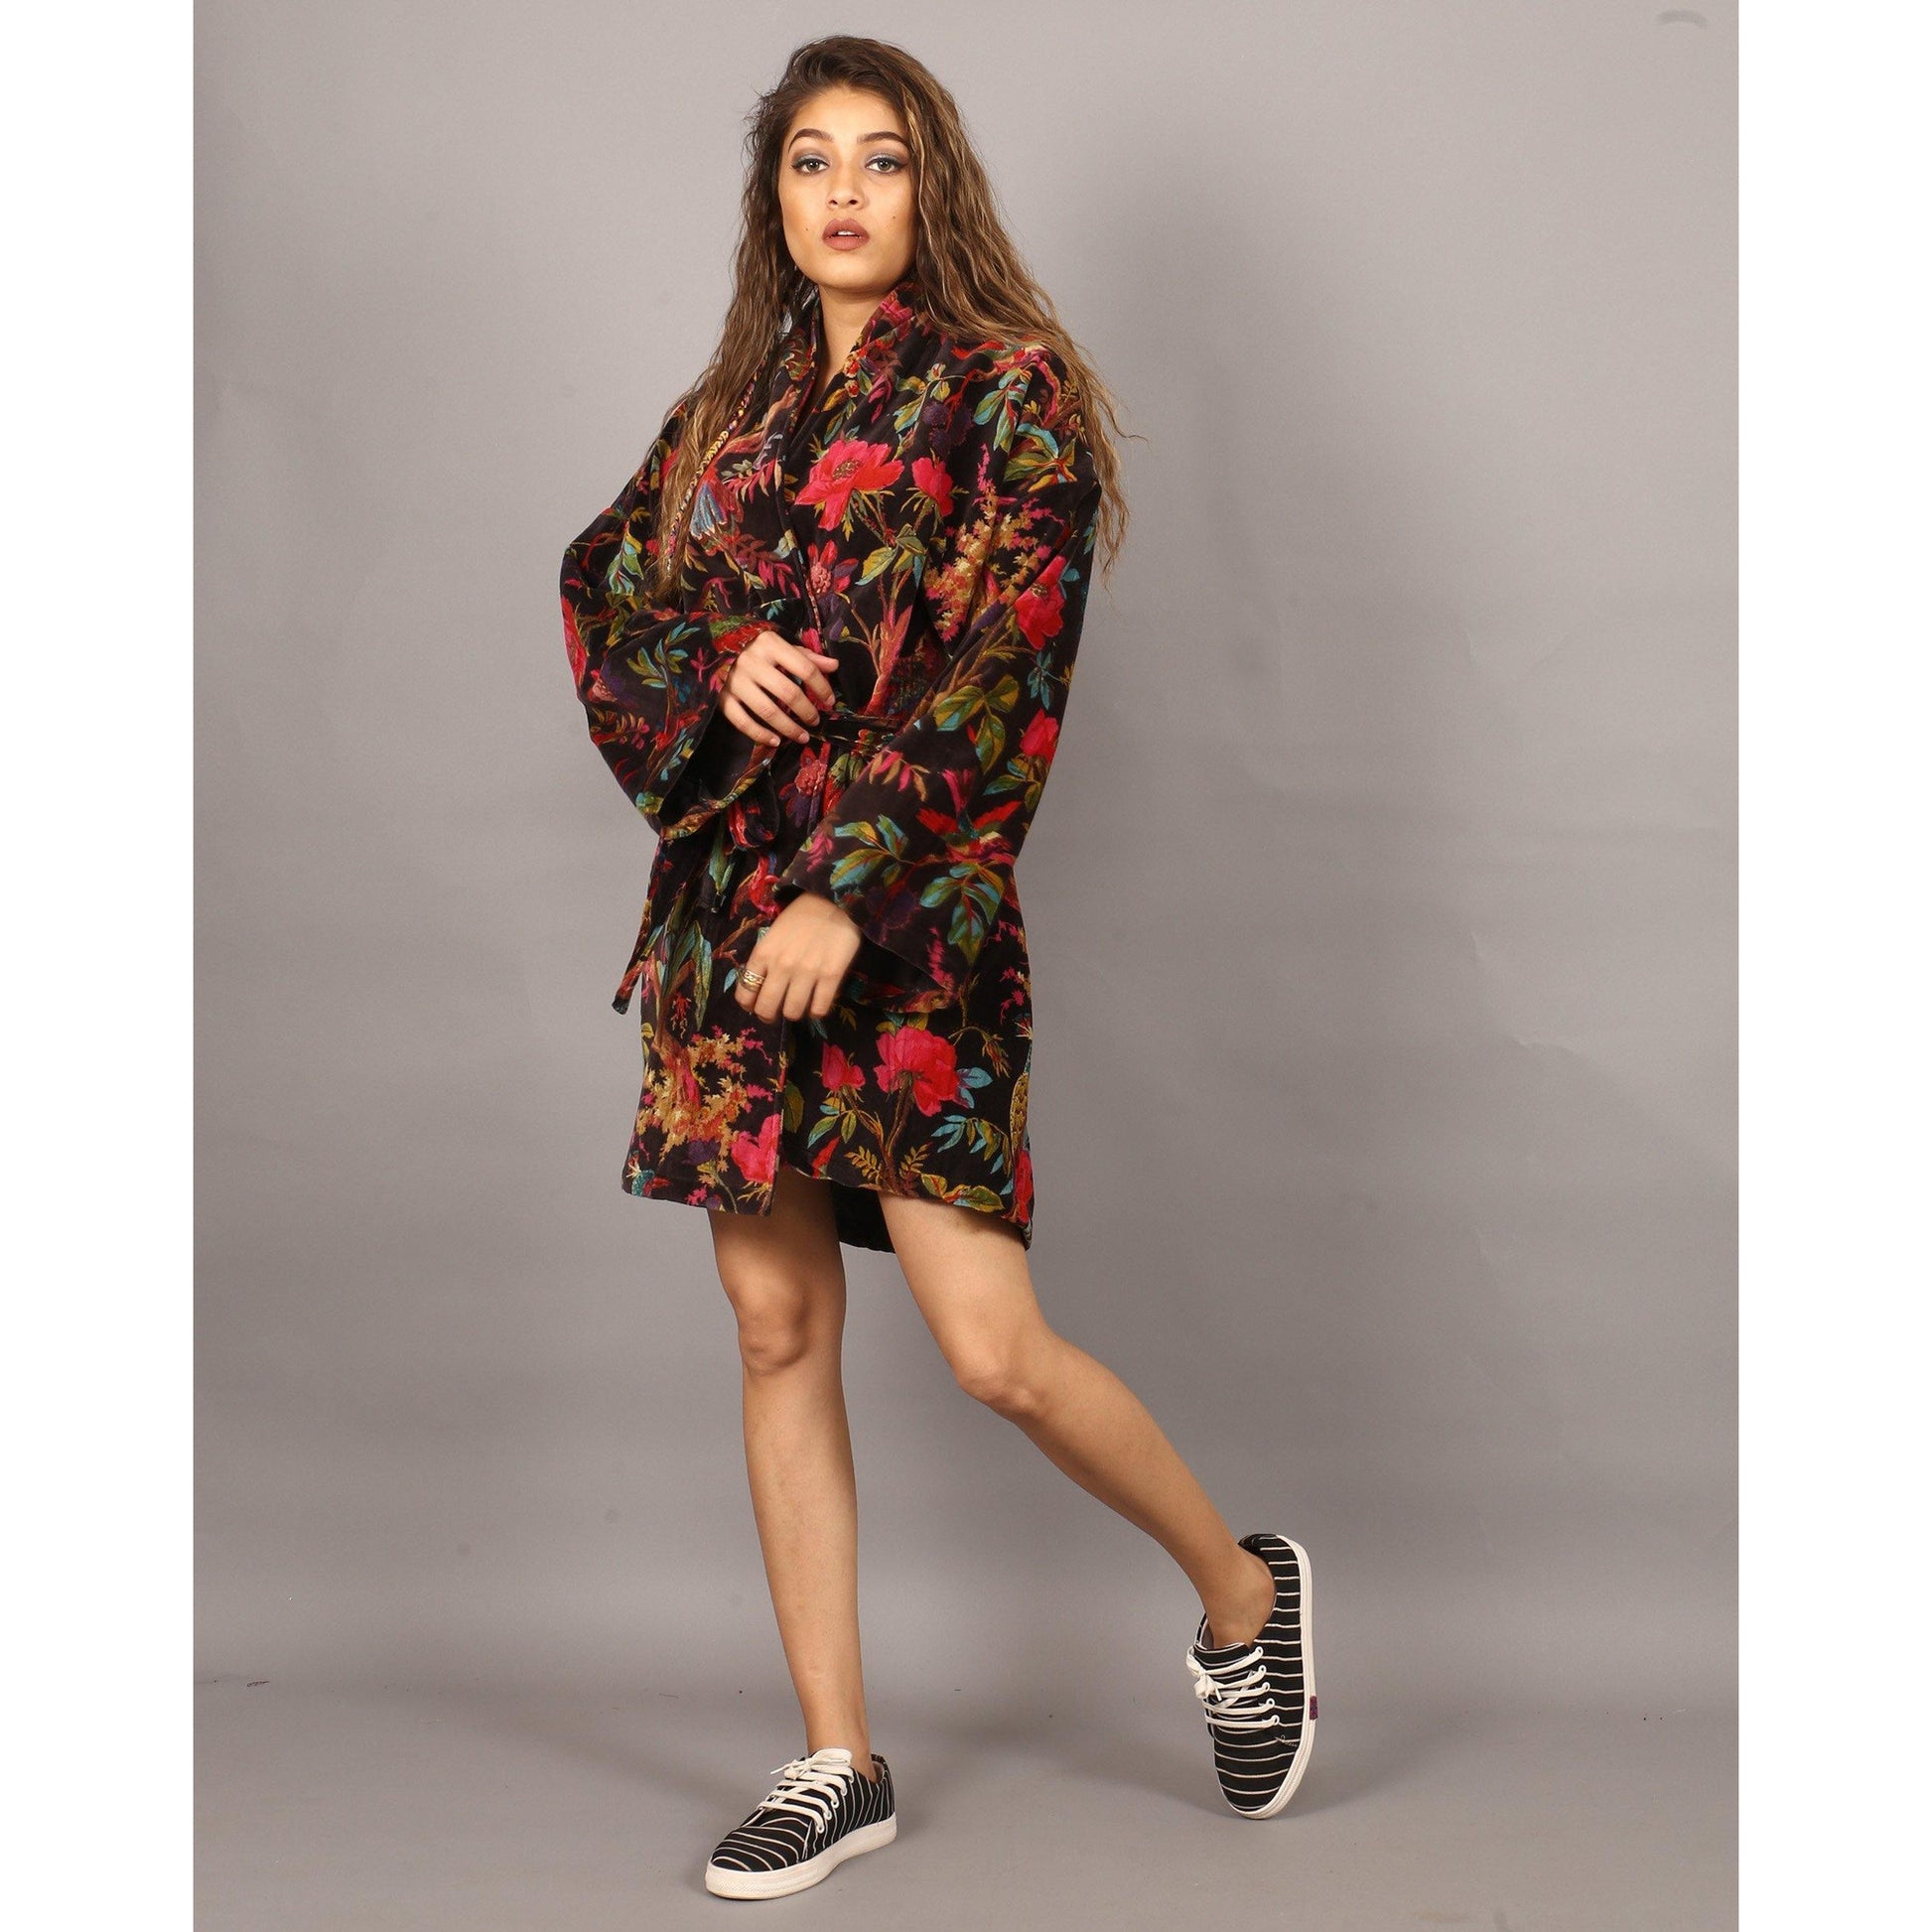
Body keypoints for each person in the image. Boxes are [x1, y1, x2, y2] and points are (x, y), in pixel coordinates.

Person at [560, 35, 1316, 1900]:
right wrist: (717, 662)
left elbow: (1005, 672)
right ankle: (836, 1758)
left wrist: (854, 892)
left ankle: (1240, 1595)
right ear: (772, 200)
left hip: (903, 926)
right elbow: (604, 584)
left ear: (932, 188)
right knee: (774, 1327)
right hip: (728, 931)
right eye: (809, 160)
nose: (842, 192)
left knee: (992, 1351)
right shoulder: (725, 415)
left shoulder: (1007, 390)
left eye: (879, 159)